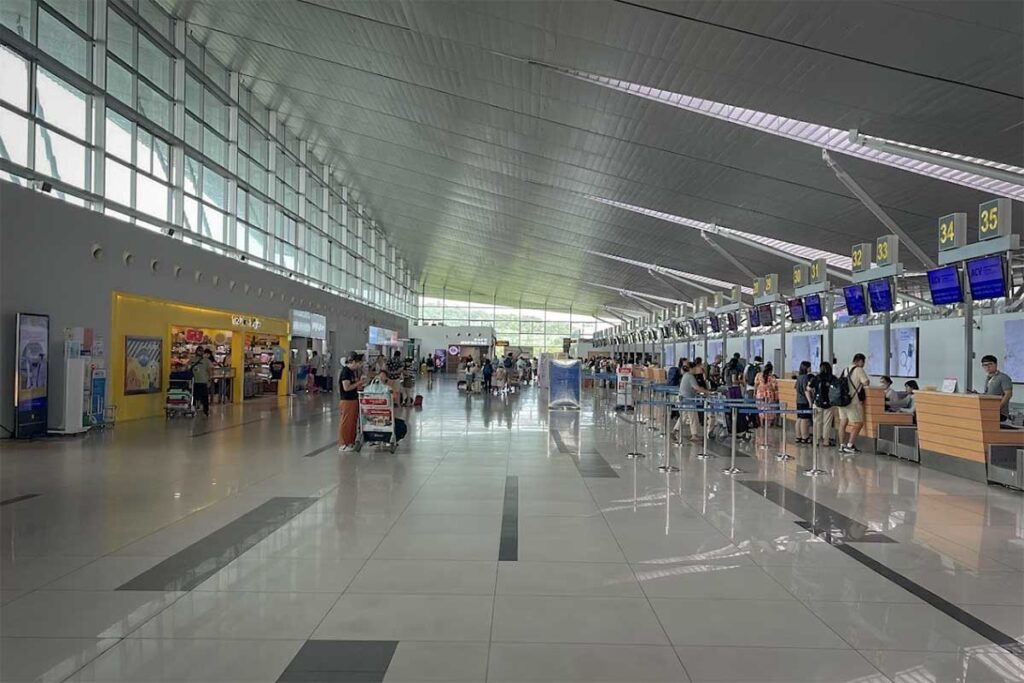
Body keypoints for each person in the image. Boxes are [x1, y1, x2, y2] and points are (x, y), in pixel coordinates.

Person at [837, 353, 871, 454]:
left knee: (843, 422)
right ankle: (850, 445)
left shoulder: (845, 369)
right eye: (863, 362)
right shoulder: (859, 370)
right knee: (858, 423)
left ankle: (842, 445)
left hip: (842, 401)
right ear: (860, 361)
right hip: (853, 401)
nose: (864, 364)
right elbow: (866, 382)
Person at [972, 355, 1014, 424]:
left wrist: (998, 408)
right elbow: (989, 394)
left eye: (990, 364)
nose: (987, 367)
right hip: (989, 410)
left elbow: (1008, 394)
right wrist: (978, 394)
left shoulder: (1003, 377)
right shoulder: (988, 378)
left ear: (996, 364)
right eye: (985, 365)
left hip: (1000, 413)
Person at [338, 352, 367, 451]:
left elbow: (354, 385)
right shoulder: (345, 372)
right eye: (359, 363)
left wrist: (360, 384)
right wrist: (359, 382)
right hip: (347, 400)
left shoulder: (352, 372)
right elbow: (346, 387)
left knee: (352, 422)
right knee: (346, 422)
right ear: (353, 362)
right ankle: (344, 443)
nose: (360, 365)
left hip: (354, 399)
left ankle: (350, 441)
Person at [676, 360, 710, 441]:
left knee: (683, 417)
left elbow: (692, 388)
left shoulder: (685, 375)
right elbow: (696, 387)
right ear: (691, 368)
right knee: (693, 418)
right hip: (688, 400)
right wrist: (708, 392)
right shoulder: (690, 376)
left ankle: (675, 430)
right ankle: (694, 435)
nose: (695, 370)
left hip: (683, 399)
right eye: (695, 369)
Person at [806, 361, 837, 448]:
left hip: (817, 402)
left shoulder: (816, 378)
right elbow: (837, 389)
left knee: (817, 422)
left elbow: (808, 388)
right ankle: (826, 442)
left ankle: (816, 440)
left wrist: (813, 390)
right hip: (829, 403)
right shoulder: (833, 378)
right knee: (827, 423)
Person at [189, 347, 212, 416]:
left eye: (201, 351)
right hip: (194, 381)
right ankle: (193, 409)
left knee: (204, 397)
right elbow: (187, 367)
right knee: (194, 396)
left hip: (203, 381)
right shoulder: (192, 360)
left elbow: (210, 371)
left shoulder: (206, 361)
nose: (200, 352)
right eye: (199, 351)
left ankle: (206, 411)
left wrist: (209, 380)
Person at [755, 362, 780, 427]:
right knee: (769, 410)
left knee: (761, 409)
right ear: (771, 370)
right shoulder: (772, 377)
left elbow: (756, 384)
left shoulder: (759, 375)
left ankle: (761, 424)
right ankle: (768, 424)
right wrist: (776, 396)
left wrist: (754, 393)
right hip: (769, 395)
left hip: (760, 395)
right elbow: (775, 388)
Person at [795, 361, 813, 444]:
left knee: (799, 418)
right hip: (804, 401)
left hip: (798, 400)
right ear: (806, 368)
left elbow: (796, 388)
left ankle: (798, 436)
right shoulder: (806, 377)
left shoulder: (799, 377)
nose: (810, 368)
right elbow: (806, 390)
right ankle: (805, 437)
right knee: (804, 419)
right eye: (809, 367)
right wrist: (810, 402)